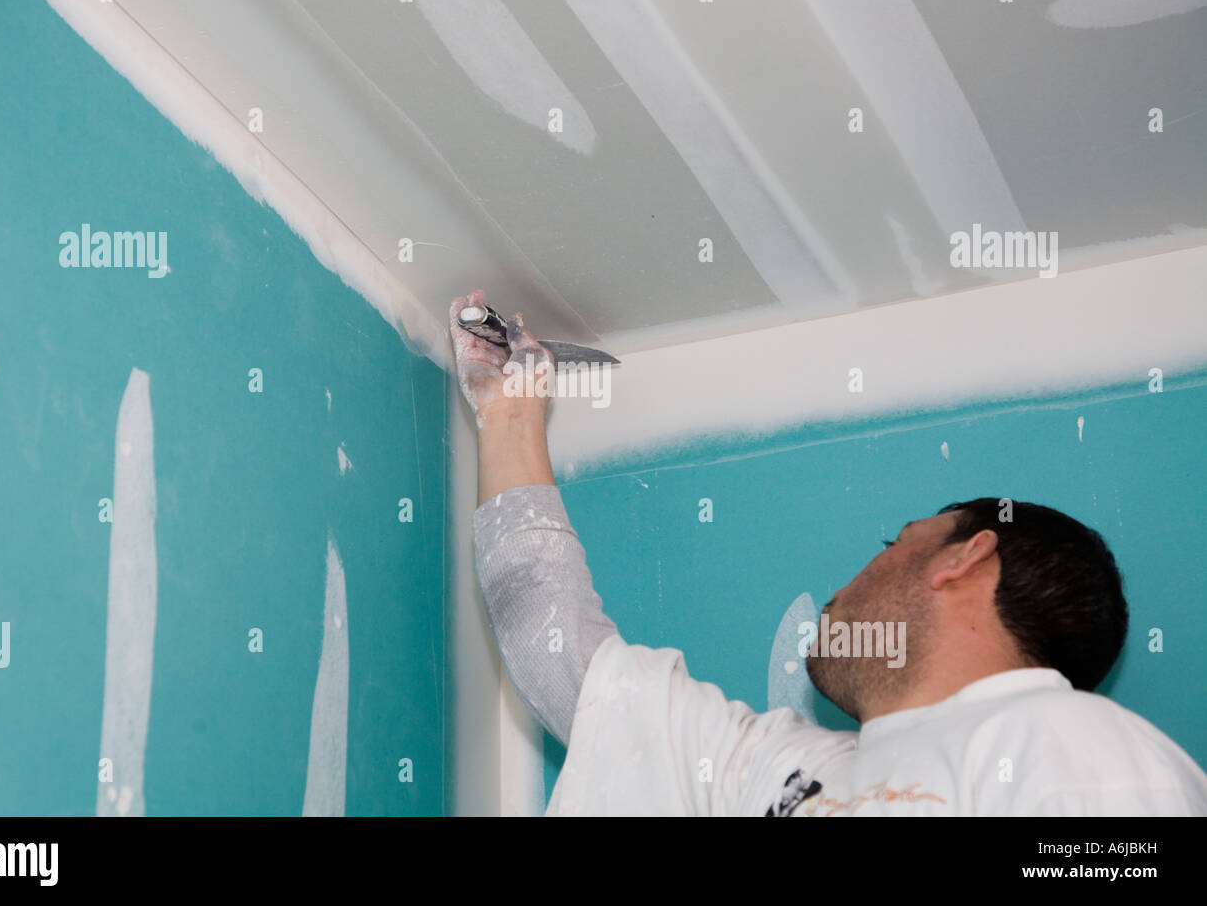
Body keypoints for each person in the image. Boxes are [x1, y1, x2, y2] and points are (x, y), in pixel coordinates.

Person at [450, 289, 1207, 816]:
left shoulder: (1080, 749)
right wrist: (510, 415)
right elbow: (566, 666)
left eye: (895, 542)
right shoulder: (786, 772)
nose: (841, 591)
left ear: (964, 560)